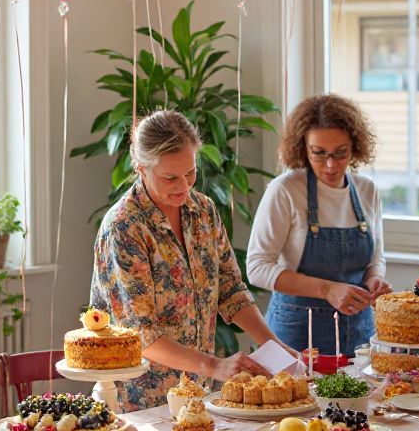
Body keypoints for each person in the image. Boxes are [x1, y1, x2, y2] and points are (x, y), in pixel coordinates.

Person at [89, 109, 299, 411]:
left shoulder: (203, 210)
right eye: (170, 177)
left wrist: (273, 344)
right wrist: (214, 366)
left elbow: (231, 290)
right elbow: (140, 334)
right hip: (139, 399)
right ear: (141, 168)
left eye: (190, 173)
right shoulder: (124, 227)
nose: (183, 186)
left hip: (197, 392)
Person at [247, 94, 393, 358]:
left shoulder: (366, 190)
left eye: (341, 153)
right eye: (319, 153)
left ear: (355, 147)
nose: (330, 165)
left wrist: (375, 279)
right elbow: (257, 268)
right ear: (303, 148)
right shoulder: (286, 190)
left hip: (359, 334)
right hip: (296, 335)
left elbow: (376, 257)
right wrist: (327, 289)